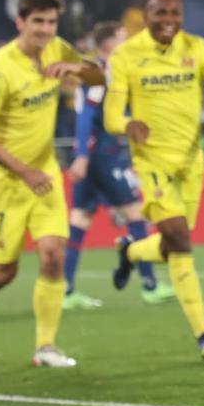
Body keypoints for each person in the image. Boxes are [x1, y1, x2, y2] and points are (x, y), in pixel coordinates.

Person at [104, 0, 204, 362]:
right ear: (146, 15)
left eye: (175, 13)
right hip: (152, 162)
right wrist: (126, 125)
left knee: (174, 242)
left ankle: (132, 251)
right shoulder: (125, 56)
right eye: (161, 12)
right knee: (180, 239)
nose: (169, 20)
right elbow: (110, 113)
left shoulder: (199, 49)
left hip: (192, 163)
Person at [0, 0, 104, 368]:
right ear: (20, 22)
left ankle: (46, 347)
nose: (46, 29)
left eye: (51, 22)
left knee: (54, 254)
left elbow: (99, 75)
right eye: (38, 21)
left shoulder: (58, 49)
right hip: (6, 181)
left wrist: (75, 69)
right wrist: (24, 170)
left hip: (45, 172)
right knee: (4, 271)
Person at [62, 21, 176, 310]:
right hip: (100, 155)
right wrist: (85, 156)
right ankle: (150, 285)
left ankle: (65, 290)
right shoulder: (98, 73)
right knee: (135, 215)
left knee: (79, 220)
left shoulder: (101, 71)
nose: (127, 43)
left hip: (94, 153)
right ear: (109, 43)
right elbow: (87, 115)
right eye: (122, 39)